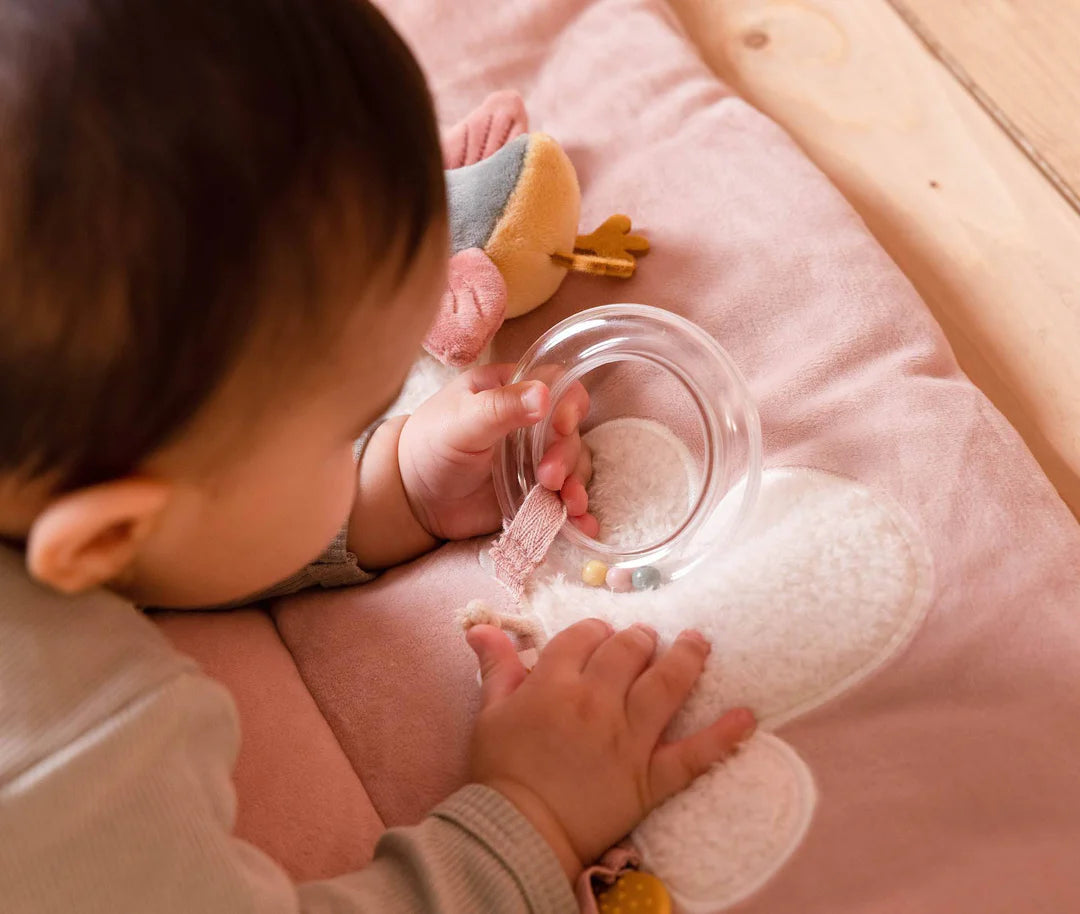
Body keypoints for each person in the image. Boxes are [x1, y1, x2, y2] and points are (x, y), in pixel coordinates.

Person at [0, 1, 755, 911]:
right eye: (337, 433)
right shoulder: (67, 753)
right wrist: (534, 819)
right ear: (105, 533)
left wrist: (389, 491)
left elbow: (148, 538)